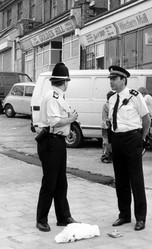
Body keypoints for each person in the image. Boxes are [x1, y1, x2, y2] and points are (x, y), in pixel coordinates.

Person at [36, 62, 79, 232]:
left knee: (61, 182)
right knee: (50, 182)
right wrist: (71, 120)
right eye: (67, 81)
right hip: (51, 142)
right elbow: (54, 120)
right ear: (65, 81)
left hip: (58, 142)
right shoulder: (53, 96)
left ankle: (63, 216)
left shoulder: (57, 95)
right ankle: (41, 219)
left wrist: (67, 126)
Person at [108, 66, 151, 231]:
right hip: (117, 140)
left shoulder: (135, 96)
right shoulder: (112, 99)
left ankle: (140, 218)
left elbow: (146, 119)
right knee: (121, 180)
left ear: (123, 80)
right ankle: (124, 215)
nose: (111, 82)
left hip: (133, 139)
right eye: (110, 79)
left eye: (114, 79)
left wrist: (142, 138)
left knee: (136, 180)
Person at [101, 90, 115, 163]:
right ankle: (106, 156)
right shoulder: (108, 105)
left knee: (107, 141)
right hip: (107, 126)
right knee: (107, 141)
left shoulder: (107, 104)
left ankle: (107, 155)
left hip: (106, 125)